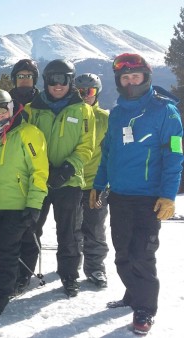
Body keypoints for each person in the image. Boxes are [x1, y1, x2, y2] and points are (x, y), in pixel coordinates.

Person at [90, 53, 183, 335]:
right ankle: (133, 292)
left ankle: (145, 308)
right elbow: (108, 153)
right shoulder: (117, 113)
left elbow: (175, 155)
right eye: (125, 78)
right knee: (122, 252)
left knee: (142, 254)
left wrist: (169, 195)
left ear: (146, 77)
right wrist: (98, 184)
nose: (130, 82)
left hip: (148, 198)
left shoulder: (165, 111)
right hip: (119, 196)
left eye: (136, 77)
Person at [0, 89, 48, 315]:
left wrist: (34, 205)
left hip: (18, 206)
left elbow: (39, 172)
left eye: (1, 110)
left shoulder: (28, 133)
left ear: (11, 109)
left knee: (6, 252)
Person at [20, 59, 95, 297]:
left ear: (71, 81)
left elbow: (87, 146)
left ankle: (70, 275)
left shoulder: (83, 110)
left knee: (69, 231)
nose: (58, 85)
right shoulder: (33, 109)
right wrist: (40, 170)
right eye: (53, 80)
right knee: (31, 228)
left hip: (69, 181)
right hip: (39, 180)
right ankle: (23, 274)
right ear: (46, 81)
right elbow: (24, 143)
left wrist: (67, 169)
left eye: (63, 79)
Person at [74, 73, 110, 288]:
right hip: (72, 181)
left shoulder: (105, 118)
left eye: (90, 92)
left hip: (95, 183)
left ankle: (95, 267)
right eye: (79, 92)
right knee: (71, 228)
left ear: (97, 92)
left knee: (95, 226)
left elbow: (111, 151)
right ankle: (71, 264)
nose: (85, 96)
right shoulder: (70, 114)